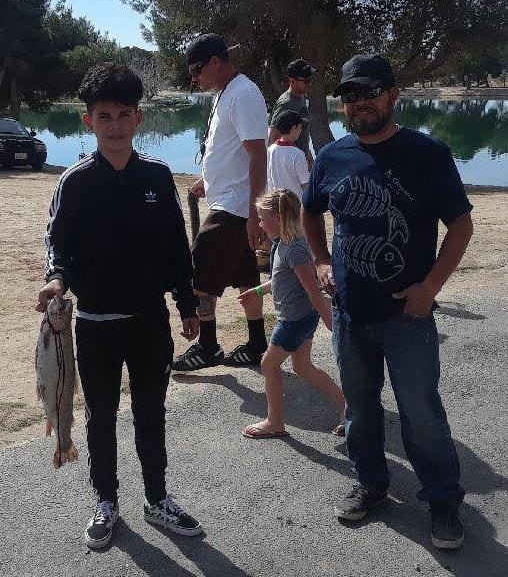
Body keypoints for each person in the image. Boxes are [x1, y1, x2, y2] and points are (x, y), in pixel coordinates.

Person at [301, 53, 473, 549]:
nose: (360, 103)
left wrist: (431, 288)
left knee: (420, 412)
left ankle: (443, 501)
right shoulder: (333, 157)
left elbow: (460, 224)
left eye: (370, 92)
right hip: (351, 313)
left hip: (407, 315)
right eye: (350, 95)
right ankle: (371, 485)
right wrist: (322, 261)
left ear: (393, 94)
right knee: (359, 407)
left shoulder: (426, 153)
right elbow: (311, 212)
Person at [37, 63, 203, 549]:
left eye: (124, 115)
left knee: (151, 412)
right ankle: (106, 501)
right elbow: (59, 244)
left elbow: (176, 246)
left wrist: (188, 303)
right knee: (101, 416)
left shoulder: (156, 175)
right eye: (104, 116)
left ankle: (157, 498)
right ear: (88, 121)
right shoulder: (75, 182)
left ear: (138, 118)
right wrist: (55, 280)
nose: (114, 125)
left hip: (150, 320)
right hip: (94, 325)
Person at [173, 33, 269, 371]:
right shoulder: (227, 93)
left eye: (197, 70)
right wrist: (207, 181)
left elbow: (258, 156)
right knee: (246, 278)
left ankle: (208, 345)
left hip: (234, 208)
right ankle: (258, 342)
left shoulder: (243, 94)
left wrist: (256, 211)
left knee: (197, 274)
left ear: (216, 61)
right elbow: (230, 151)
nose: (195, 78)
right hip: (230, 201)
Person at [239, 190, 345, 439]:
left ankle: (274, 422)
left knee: (268, 364)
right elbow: (279, 280)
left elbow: (313, 291)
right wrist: (257, 291)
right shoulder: (282, 243)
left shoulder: (295, 249)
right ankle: (348, 405)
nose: (260, 224)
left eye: (263, 219)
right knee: (302, 366)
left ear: (278, 217)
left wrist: (331, 322)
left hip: (294, 320)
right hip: (301, 316)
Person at [268, 59, 316, 169]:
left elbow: (301, 134)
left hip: (301, 162)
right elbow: (273, 138)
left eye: (311, 79)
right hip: (291, 168)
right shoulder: (286, 103)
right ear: (292, 81)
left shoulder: (300, 98)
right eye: (306, 81)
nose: (309, 84)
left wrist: (309, 159)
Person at [267, 110, 310, 200]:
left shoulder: (271, 150)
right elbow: (305, 183)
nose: (301, 130)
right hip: (295, 203)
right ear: (293, 128)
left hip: (276, 202)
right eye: (300, 127)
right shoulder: (297, 154)